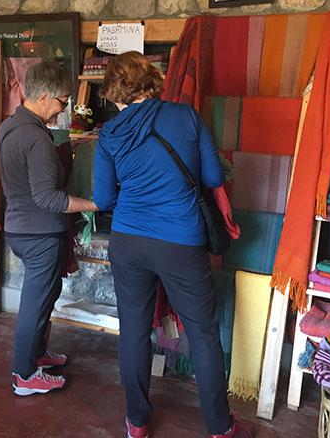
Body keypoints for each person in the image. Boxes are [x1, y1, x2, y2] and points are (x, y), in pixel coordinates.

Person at [92, 51, 255, 438]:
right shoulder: (184, 117)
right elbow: (213, 175)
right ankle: (220, 427)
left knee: (132, 329)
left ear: (115, 92)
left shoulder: (109, 134)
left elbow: (103, 199)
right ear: (150, 80)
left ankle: (136, 422)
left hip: (128, 241)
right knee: (202, 331)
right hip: (180, 241)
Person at [0, 60, 98, 396]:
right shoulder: (35, 139)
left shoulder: (10, 127)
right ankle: (25, 376)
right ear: (43, 97)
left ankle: (37, 355)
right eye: (63, 101)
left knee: (45, 296)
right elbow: (49, 199)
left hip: (20, 229)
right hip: (40, 234)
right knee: (36, 303)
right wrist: (96, 204)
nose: (64, 107)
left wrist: (67, 152)